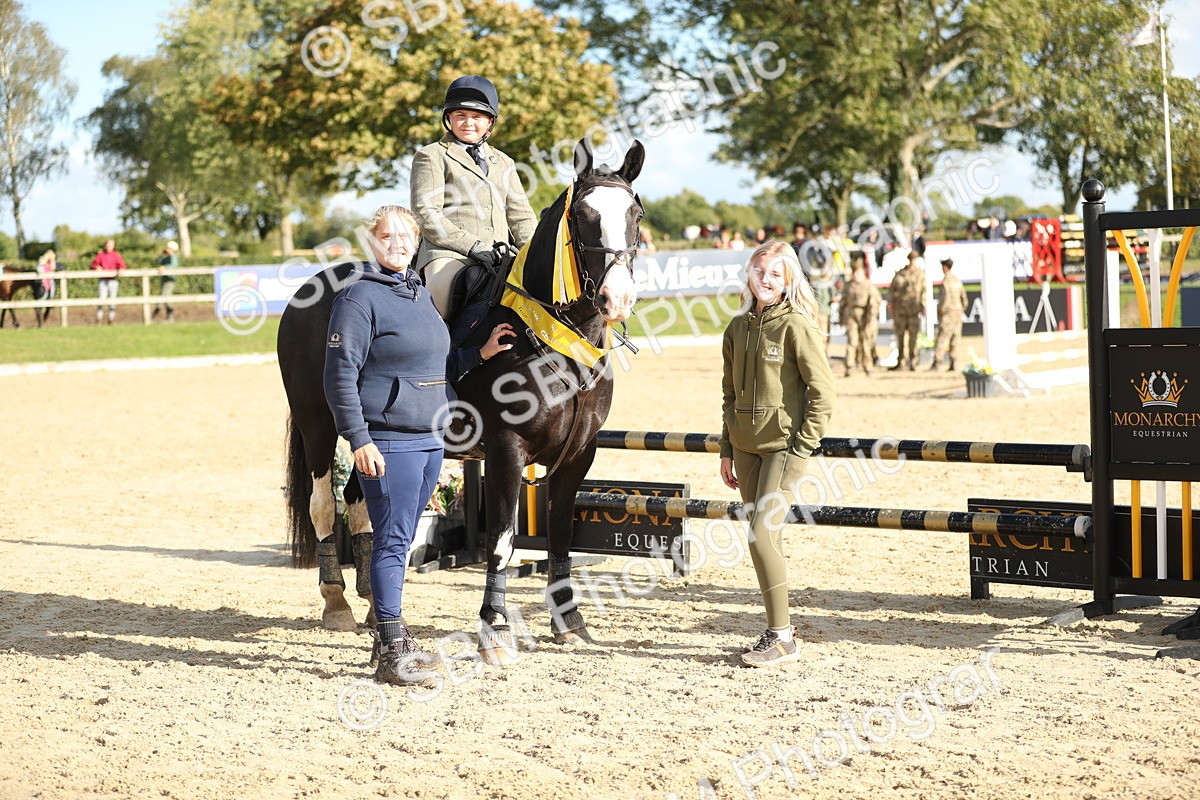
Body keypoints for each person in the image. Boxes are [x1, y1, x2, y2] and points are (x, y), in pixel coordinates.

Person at [323, 205, 514, 687]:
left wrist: (481, 353)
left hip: (430, 438)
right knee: (390, 541)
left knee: (401, 540)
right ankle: (391, 648)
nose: (399, 244)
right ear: (372, 242)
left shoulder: (419, 293)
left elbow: (440, 361)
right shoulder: (358, 299)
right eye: (388, 236)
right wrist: (359, 439)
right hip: (388, 440)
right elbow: (339, 377)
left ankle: (387, 638)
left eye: (406, 236)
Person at [718, 241, 835, 668]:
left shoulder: (797, 326)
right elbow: (729, 394)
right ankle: (779, 628)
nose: (764, 280)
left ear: (788, 281)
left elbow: (823, 393)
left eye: (774, 273)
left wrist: (802, 445)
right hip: (744, 450)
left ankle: (782, 637)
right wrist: (727, 449)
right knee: (763, 537)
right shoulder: (735, 328)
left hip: (783, 448)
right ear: (748, 275)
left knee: (760, 535)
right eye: (758, 271)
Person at [411, 75, 537, 320]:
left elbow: (521, 216)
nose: (468, 122)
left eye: (477, 117)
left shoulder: (504, 162)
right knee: (440, 296)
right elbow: (426, 214)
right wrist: (473, 246)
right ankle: (437, 352)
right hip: (450, 256)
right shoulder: (432, 155)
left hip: (503, 256)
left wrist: (534, 252)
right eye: (460, 116)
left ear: (489, 122)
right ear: (449, 119)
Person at [840, 255, 882, 376]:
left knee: (866, 342)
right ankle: (849, 366)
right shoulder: (848, 285)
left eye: (858, 272)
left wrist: (871, 318)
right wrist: (841, 317)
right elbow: (843, 302)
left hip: (865, 315)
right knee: (852, 341)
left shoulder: (868, 285)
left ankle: (867, 366)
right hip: (851, 315)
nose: (856, 275)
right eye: (854, 272)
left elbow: (874, 303)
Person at [887, 251, 926, 371]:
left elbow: (923, 292)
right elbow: (892, 292)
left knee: (913, 338)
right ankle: (901, 361)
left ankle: (913, 361)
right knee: (900, 337)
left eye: (914, 259)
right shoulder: (900, 274)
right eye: (911, 259)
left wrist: (923, 306)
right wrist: (891, 307)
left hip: (913, 311)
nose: (912, 262)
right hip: (901, 311)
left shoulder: (920, 275)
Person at [931, 257, 967, 371]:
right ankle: (954, 362)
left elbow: (944, 299)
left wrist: (940, 311)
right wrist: (960, 309)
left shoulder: (946, 281)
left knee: (942, 338)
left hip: (948, 313)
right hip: (957, 313)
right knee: (955, 338)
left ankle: (937, 361)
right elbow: (964, 300)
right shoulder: (957, 281)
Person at [90, 239, 126, 324]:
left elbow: (122, 264)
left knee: (112, 300)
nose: (108, 246)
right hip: (103, 280)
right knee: (101, 299)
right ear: (105, 245)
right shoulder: (101, 255)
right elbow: (93, 264)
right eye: (107, 245)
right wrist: (96, 267)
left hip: (113, 280)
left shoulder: (116, 255)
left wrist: (121, 269)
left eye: (110, 245)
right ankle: (99, 318)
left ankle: (111, 319)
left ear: (113, 246)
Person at [153, 241, 179, 322]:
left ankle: (153, 317)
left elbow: (173, 265)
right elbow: (157, 261)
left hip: (170, 280)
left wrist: (165, 267)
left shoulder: (174, 257)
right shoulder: (166, 257)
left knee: (164, 297)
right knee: (166, 298)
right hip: (164, 280)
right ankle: (168, 317)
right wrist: (161, 254)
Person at [35, 250, 59, 324]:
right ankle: (40, 318)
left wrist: (52, 261)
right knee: (41, 300)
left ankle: (44, 318)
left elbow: (53, 269)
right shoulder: (42, 261)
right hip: (43, 284)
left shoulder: (51, 262)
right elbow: (39, 269)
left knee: (50, 299)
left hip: (50, 284)